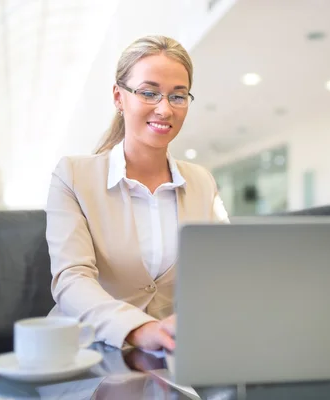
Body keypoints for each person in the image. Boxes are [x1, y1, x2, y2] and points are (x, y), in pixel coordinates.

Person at [45, 35, 229, 353]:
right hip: (85, 354)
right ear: (119, 97)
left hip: (168, 358)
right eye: (149, 93)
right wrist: (139, 328)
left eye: (178, 96)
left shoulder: (202, 182)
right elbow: (71, 278)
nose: (164, 109)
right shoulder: (73, 176)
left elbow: (225, 271)